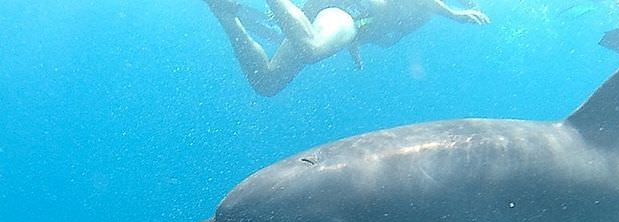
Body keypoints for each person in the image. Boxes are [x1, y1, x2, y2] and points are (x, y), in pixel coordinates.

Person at [203, 0, 491, 96]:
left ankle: (225, 15)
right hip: (347, 11)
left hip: (344, 17)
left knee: (267, 82)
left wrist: (352, 45)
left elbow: (377, 26)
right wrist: (454, 15)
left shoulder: (417, 17)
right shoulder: (428, 9)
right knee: (312, 47)